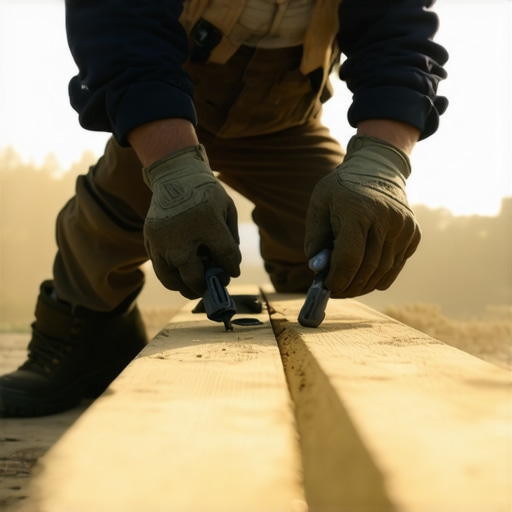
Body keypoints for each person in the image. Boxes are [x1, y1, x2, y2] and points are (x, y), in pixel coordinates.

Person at [0, 0, 448, 417]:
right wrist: (171, 167)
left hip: (286, 119)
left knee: (338, 233)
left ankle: (298, 279)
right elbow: (119, 19)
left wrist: (381, 166)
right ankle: (82, 338)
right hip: (173, 105)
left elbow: (400, 35)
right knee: (105, 223)